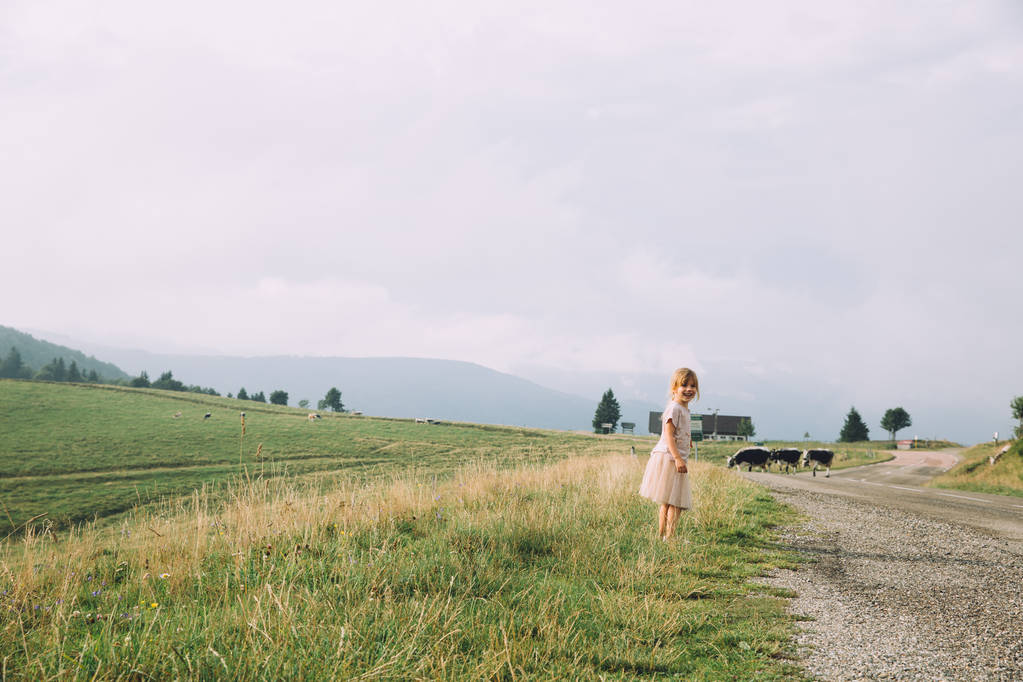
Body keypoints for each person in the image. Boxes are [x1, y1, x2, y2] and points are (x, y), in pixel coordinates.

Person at [639, 367, 698, 540]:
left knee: (668, 500)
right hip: (670, 457)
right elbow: (669, 435)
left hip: (672, 456)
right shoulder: (674, 408)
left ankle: (662, 536)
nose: (689, 389)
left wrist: (688, 440)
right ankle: (669, 538)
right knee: (675, 502)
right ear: (674, 388)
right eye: (684, 385)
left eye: (693, 386)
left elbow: (679, 431)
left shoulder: (683, 409)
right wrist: (678, 458)